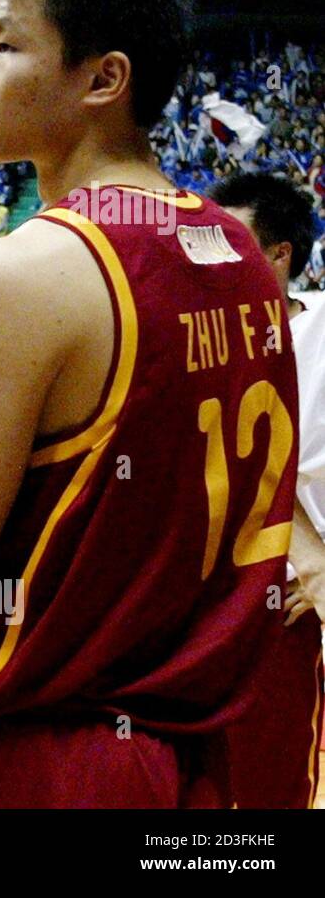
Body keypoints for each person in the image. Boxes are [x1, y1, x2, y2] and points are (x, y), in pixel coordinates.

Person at [0, 0, 298, 808]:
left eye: (6, 44)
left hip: (43, 752)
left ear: (103, 79)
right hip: (199, 755)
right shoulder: (239, 254)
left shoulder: (24, 269)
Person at [211, 172, 325, 808]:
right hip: (192, 597)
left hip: (284, 603)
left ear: (280, 254)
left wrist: (317, 566)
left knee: (272, 783)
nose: (213, 254)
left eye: (231, 239)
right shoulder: (186, 328)